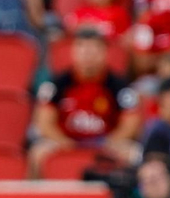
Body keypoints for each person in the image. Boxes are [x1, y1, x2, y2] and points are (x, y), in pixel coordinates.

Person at [31, 26, 140, 176]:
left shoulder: (119, 86)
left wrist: (113, 141)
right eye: (82, 48)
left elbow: (131, 123)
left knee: (134, 153)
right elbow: (44, 121)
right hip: (66, 140)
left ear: (104, 52)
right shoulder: (56, 84)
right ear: (74, 52)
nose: (88, 55)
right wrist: (63, 141)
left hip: (106, 142)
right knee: (38, 153)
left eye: (94, 49)